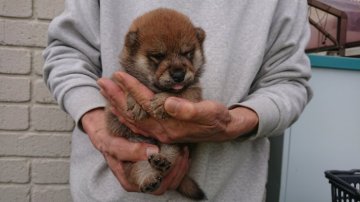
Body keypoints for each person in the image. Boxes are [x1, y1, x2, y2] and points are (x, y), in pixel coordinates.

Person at [43, 0, 313, 201]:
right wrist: (100, 130)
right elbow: (67, 52)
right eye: (157, 58)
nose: (177, 68)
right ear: (133, 46)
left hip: (229, 192)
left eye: (187, 54)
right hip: (107, 193)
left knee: (170, 152)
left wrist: (233, 124)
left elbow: (288, 80)